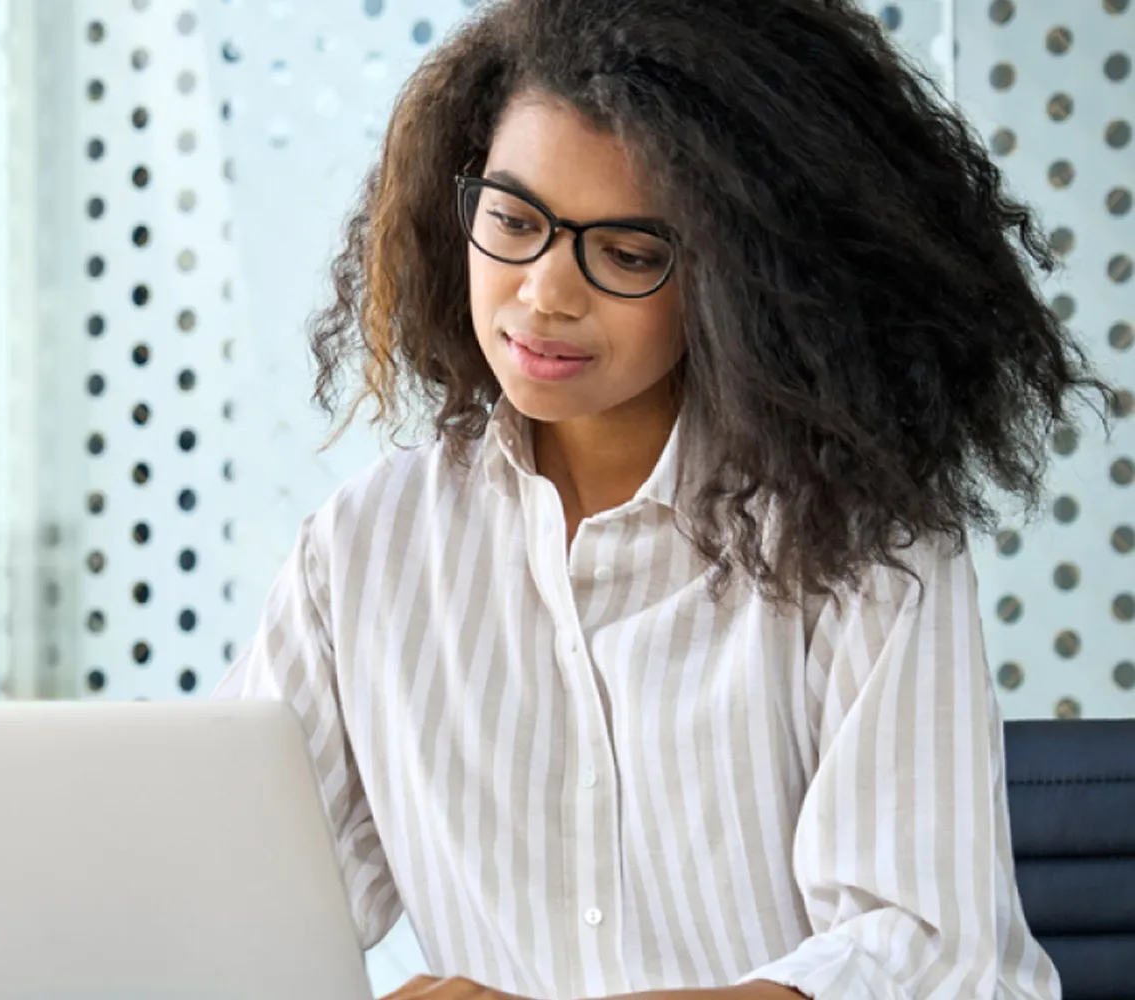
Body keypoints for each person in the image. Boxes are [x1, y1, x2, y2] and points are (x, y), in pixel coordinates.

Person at [215, 0, 1115, 997]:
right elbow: (230, 915)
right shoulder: (365, 548)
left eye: (629, 253)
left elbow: (941, 960)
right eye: (512, 221)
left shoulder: (860, 544)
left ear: (738, 278)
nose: (545, 293)